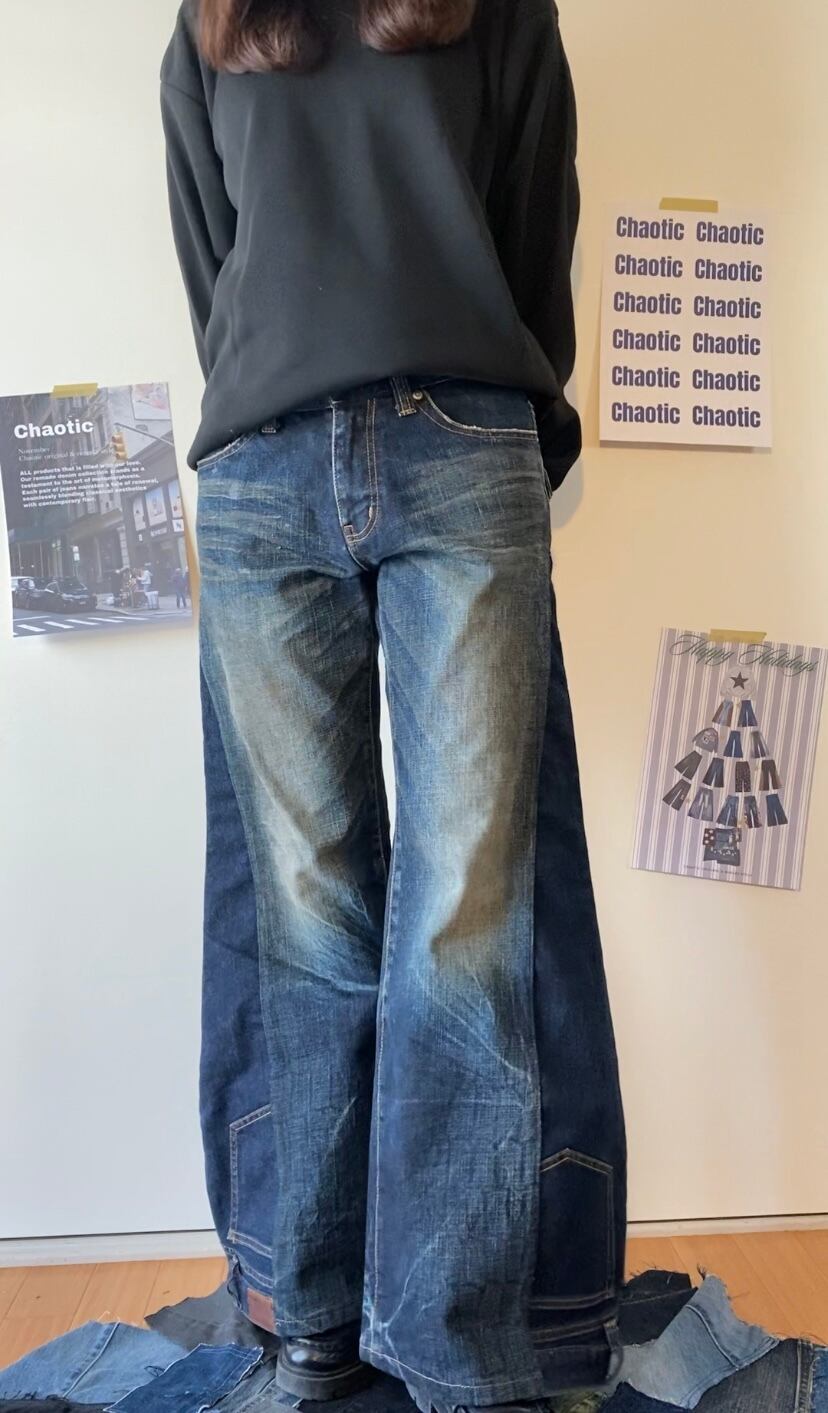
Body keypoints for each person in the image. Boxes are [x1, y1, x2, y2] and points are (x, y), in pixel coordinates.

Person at [160, 4, 627, 1411]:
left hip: (451, 444)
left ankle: (450, 1334)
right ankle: (316, 1315)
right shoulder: (210, 22)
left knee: (463, 913)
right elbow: (212, 264)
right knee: (311, 910)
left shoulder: (498, 10)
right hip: (270, 469)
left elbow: (534, 241)